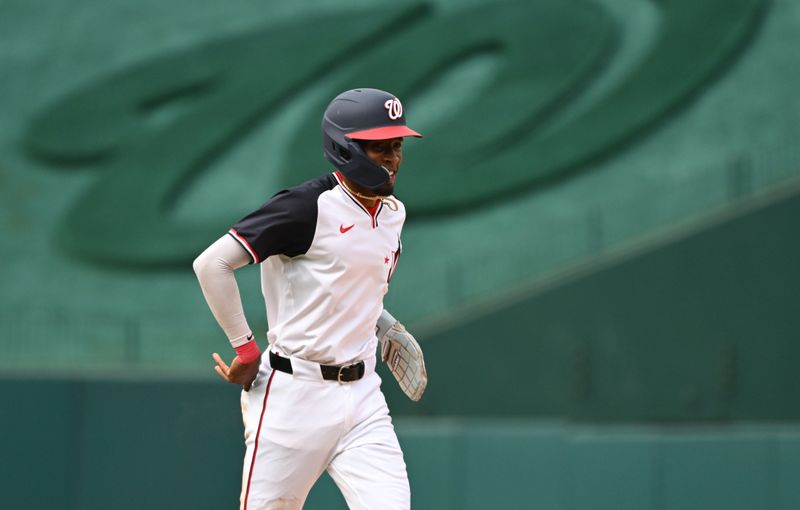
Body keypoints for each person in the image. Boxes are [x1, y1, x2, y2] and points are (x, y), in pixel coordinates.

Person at [193, 88, 422, 510]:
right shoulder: (306, 207)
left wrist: (383, 323)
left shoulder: (392, 213)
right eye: (379, 149)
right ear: (345, 148)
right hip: (294, 396)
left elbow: (343, 284)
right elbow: (211, 265)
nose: (392, 158)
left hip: (363, 398)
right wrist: (244, 348)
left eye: (397, 146)